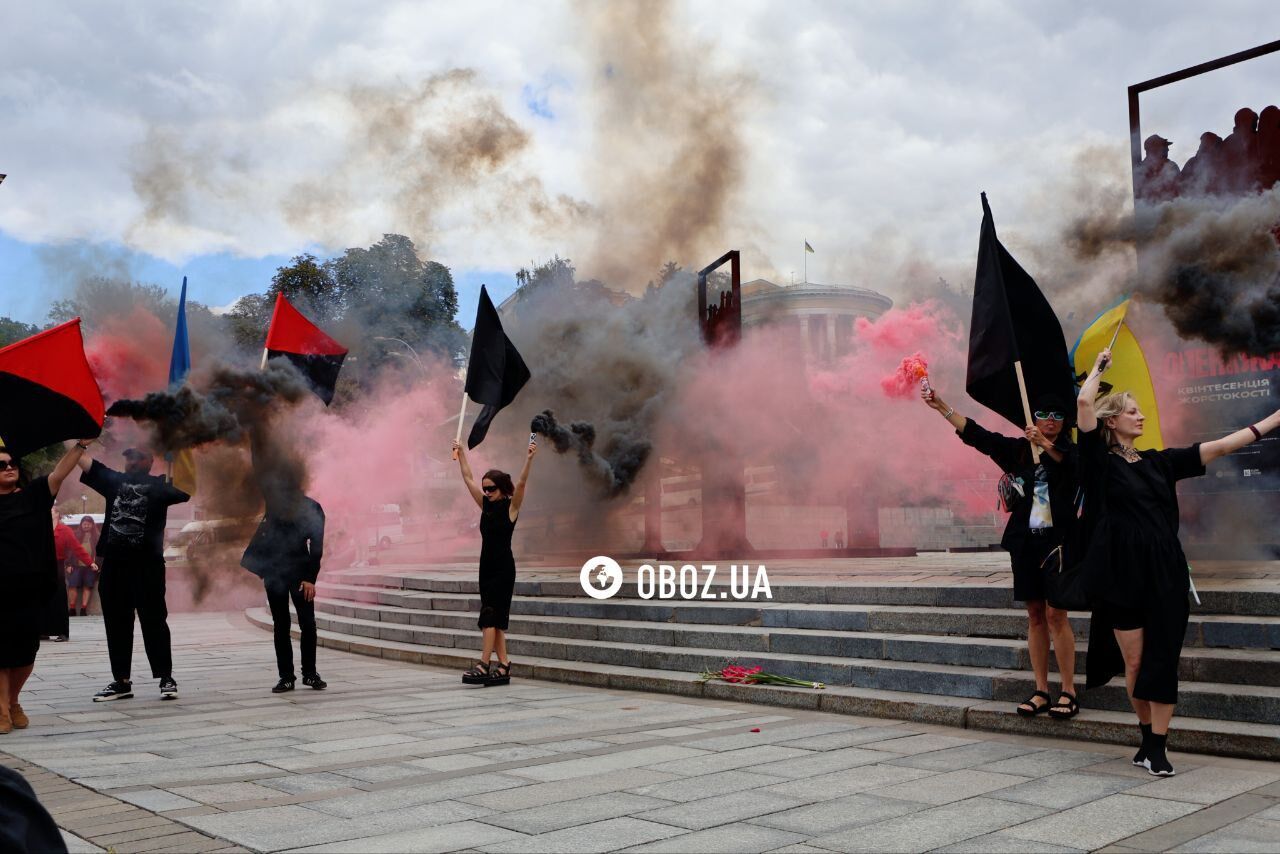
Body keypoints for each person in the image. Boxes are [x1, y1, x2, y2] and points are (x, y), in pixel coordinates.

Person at [1076, 348, 1280, 776]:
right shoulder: (1098, 464)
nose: (1141, 416)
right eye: (1132, 412)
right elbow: (1082, 404)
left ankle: (1157, 747)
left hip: (1166, 570)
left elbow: (1223, 445)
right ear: (1111, 421)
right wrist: (1098, 368)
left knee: (1163, 657)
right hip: (1121, 574)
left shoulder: (1160, 461)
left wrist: (1276, 419)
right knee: (1134, 662)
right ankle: (1146, 737)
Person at [923, 385, 1080, 719]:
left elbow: (1070, 466)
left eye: (1056, 416)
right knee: (1036, 614)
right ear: (1031, 418)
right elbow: (982, 437)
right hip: (1025, 542)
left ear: (1065, 421)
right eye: (1042, 415)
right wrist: (942, 407)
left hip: (1059, 544)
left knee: (1057, 615)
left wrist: (1046, 444)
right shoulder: (1020, 451)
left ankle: (1068, 690)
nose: (1049, 421)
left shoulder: (1070, 452)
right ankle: (1041, 689)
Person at [76, 447, 190, 702]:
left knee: (154, 621)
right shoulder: (113, 481)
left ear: (151, 461)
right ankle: (121, 681)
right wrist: (78, 443)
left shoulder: (161, 485)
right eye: (129, 457)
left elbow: (187, 488)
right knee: (116, 623)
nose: (133, 461)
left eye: (140, 457)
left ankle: (165, 676)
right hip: (114, 565)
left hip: (147, 565)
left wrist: (182, 449)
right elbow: (84, 462)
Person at [0, 440, 91, 734]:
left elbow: (58, 473)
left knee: (26, 653)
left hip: (30, 587)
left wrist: (79, 446)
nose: (9, 467)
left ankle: (13, 701)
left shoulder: (33, 496)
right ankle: (1, 710)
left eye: (12, 463)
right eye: (1, 465)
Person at [452, 437, 536, 686]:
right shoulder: (485, 506)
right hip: (485, 567)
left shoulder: (510, 508)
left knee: (489, 616)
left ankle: (484, 663)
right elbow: (468, 479)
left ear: (502, 488)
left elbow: (521, 483)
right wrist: (462, 454)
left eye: (491, 489)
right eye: (485, 488)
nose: (487, 492)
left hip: (502, 568)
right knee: (496, 620)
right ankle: (505, 665)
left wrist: (529, 459)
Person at [241, 489, 327, 693]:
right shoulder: (275, 505)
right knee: (281, 625)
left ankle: (310, 674)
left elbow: (316, 546)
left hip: (300, 573)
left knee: (307, 624)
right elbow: (264, 536)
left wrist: (310, 579)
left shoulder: (312, 507)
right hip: (275, 572)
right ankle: (286, 677)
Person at [50, 509, 96, 635]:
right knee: (43, 599)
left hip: (58, 566)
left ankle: (62, 632)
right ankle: (43, 630)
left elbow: (77, 548)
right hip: (41, 567)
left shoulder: (65, 530)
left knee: (59, 598)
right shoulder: (38, 527)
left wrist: (90, 562)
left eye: (52, 510)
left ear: (58, 514)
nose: (49, 512)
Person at [65, 515, 100, 616]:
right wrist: (68, 564)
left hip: (91, 566)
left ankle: (83, 609)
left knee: (87, 586)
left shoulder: (97, 536)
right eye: (84, 524)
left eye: (88, 524)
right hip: (75, 565)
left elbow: (101, 553)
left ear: (92, 525)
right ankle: (72, 609)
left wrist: (98, 565)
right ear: (81, 525)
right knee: (72, 585)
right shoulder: (75, 535)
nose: (86, 526)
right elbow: (68, 550)